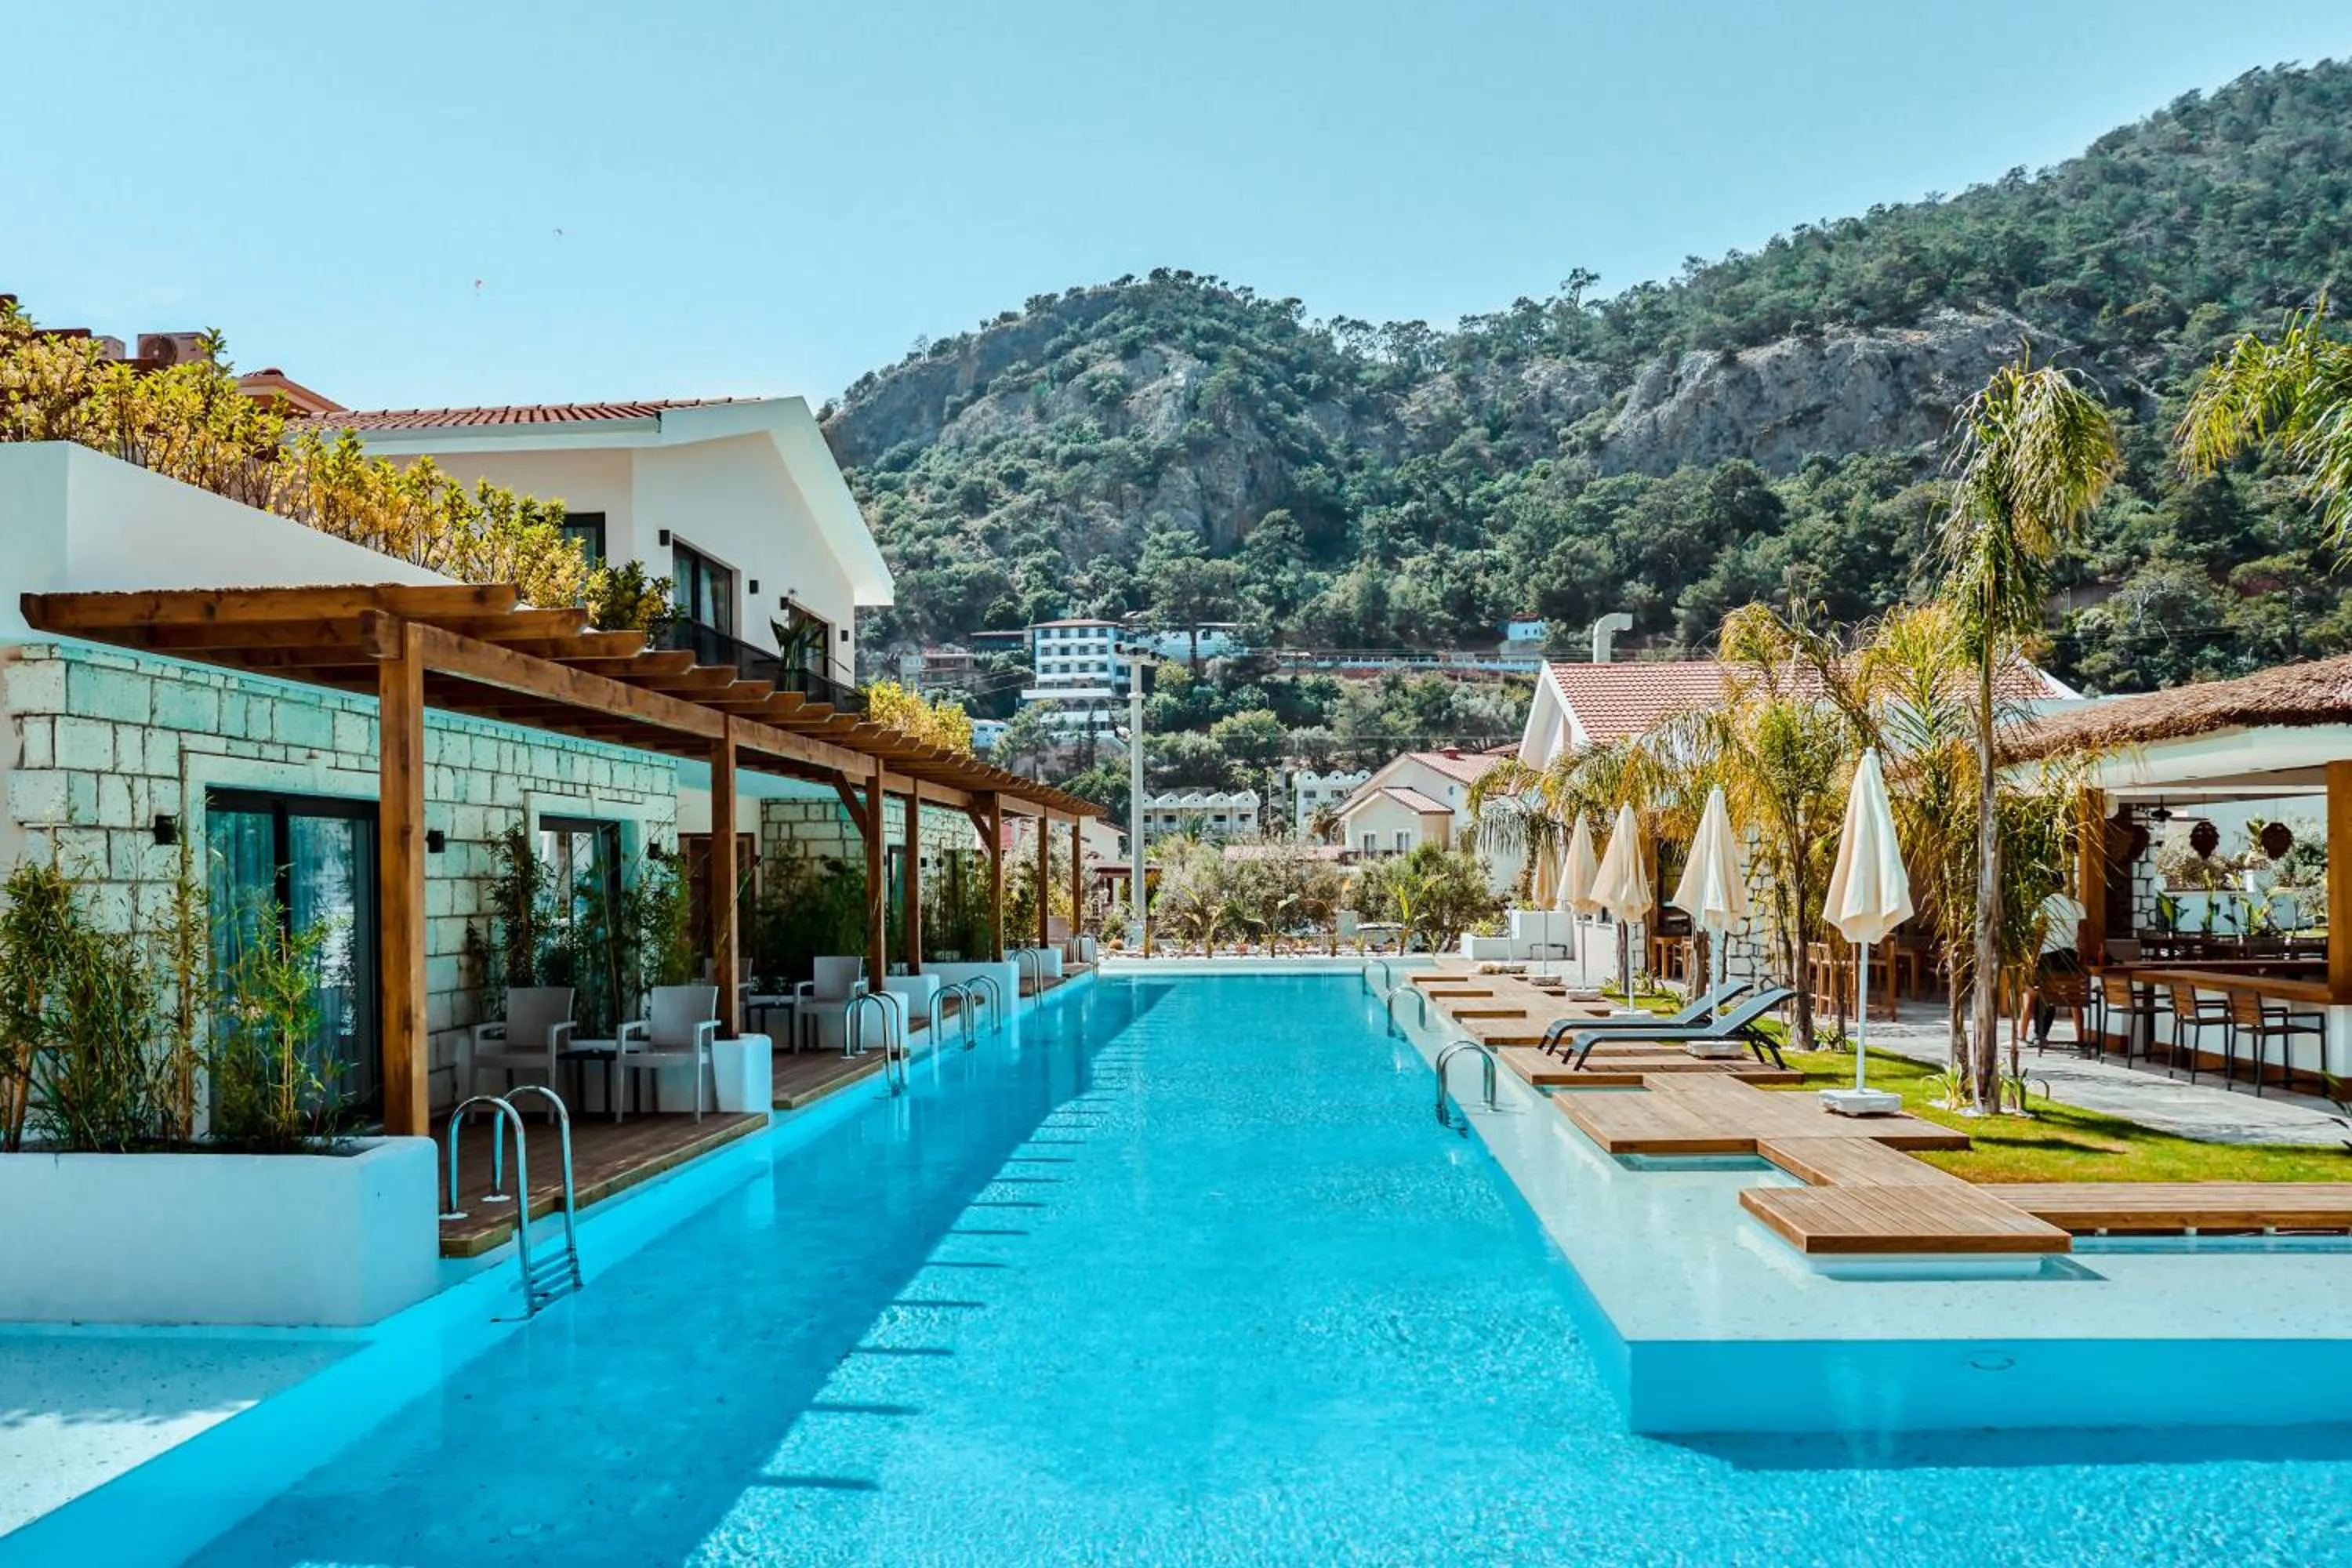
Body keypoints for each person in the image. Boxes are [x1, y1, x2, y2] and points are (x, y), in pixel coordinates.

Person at [2032, 887, 2088, 1048]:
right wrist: (2081, 956)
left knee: (2045, 996)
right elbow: (2082, 934)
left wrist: (2034, 958)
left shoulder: (2045, 904)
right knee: (2074, 996)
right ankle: (2080, 1038)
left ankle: (2040, 1035)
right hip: (2070, 956)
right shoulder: (2075, 906)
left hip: (2049, 955)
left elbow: (2039, 934)